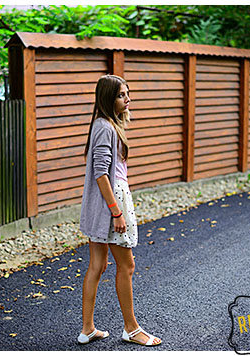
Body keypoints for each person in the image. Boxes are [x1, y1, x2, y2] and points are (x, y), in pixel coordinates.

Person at [77, 75, 162, 347]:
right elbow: (102, 174)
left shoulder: (105, 124)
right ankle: (131, 328)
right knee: (127, 265)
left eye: (127, 93)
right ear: (107, 99)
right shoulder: (105, 128)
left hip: (103, 203)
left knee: (98, 266)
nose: (127, 99)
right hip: (110, 203)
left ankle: (87, 329)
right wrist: (116, 212)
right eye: (121, 95)